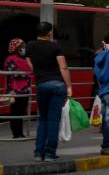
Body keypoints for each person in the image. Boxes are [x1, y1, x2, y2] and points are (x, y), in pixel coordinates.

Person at [25, 22, 73, 162]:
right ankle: (50, 153)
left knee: (43, 119)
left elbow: (30, 63)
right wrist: (69, 86)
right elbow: (63, 67)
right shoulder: (55, 46)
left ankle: (38, 153)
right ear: (49, 33)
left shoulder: (30, 46)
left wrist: (40, 72)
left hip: (42, 85)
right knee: (53, 120)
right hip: (57, 85)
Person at [3, 39, 33, 138]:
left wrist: (28, 73)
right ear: (17, 48)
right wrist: (28, 73)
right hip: (15, 90)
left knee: (21, 112)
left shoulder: (25, 60)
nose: (24, 49)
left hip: (25, 90)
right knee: (15, 112)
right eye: (22, 47)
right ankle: (16, 134)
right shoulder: (10, 59)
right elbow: (15, 74)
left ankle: (20, 133)